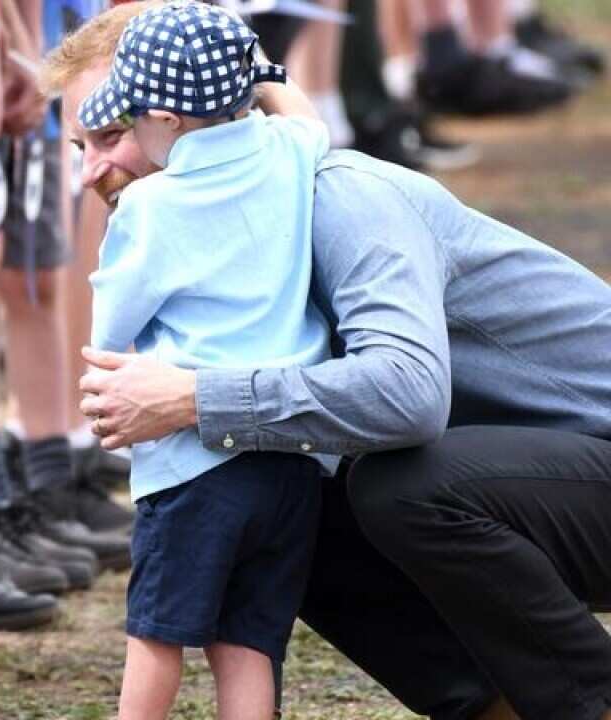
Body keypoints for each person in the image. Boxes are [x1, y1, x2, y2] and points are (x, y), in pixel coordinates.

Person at [45, 3, 611, 719]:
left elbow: (409, 396)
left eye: (110, 132)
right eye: (77, 144)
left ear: (181, 115)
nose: (91, 171)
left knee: (400, 487)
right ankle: (500, 707)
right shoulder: (246, 207)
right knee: (275, 490)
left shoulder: (337, 193)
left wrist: (195, 398)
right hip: (558, 476)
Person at [79, 4, 331, 718]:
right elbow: (305, 117)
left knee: (157, 635)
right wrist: (266, 73)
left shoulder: (152, 206)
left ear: (166, 118)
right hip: (289, 452)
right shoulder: (291, 151)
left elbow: (112, 325)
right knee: (249, 640)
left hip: (192, 463)